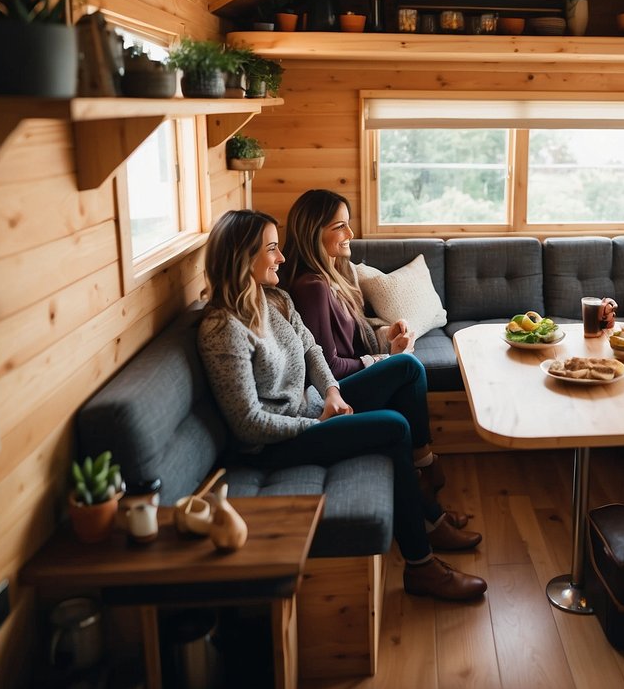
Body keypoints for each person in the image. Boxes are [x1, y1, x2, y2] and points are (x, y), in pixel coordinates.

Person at [196, 209, 485, 601]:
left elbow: (312, 349)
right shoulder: (222, 328)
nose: (281, 258)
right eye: (271, 249)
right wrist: (316, 424)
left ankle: (429, 503)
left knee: (406, 366)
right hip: (275, 443)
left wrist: (332, 392)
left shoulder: (275, 300)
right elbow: (248, 424)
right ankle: (422, 564)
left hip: (315, 407)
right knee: (394, 426)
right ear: (243, 258)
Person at [280, 189, 465, 526]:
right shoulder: (311, 287)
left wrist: (386, 337)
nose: (350, 234)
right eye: (340, 227)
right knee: (408, 366)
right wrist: (383, 361)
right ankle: (426, 466)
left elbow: (350, 339)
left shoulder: (336, 275)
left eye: (348, 225)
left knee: (406, 366)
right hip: (333, 394)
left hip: (346, 381)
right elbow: (328, 367)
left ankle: (428, 489)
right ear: (313, 232)